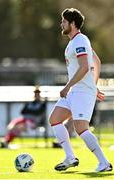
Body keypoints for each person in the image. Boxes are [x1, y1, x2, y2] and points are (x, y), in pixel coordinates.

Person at [49, 8, 113, 172]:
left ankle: (104, 163)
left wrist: (69, 86)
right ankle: (70, 157)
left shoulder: (80, 41)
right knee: (55, 119)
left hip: (81, 92)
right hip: (77, 91)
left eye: (64, 21)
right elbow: (96, 61)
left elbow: (85, 67)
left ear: (72, 23)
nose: (61, 24)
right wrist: (94, 85)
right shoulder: (75, 42)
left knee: (81, 128)